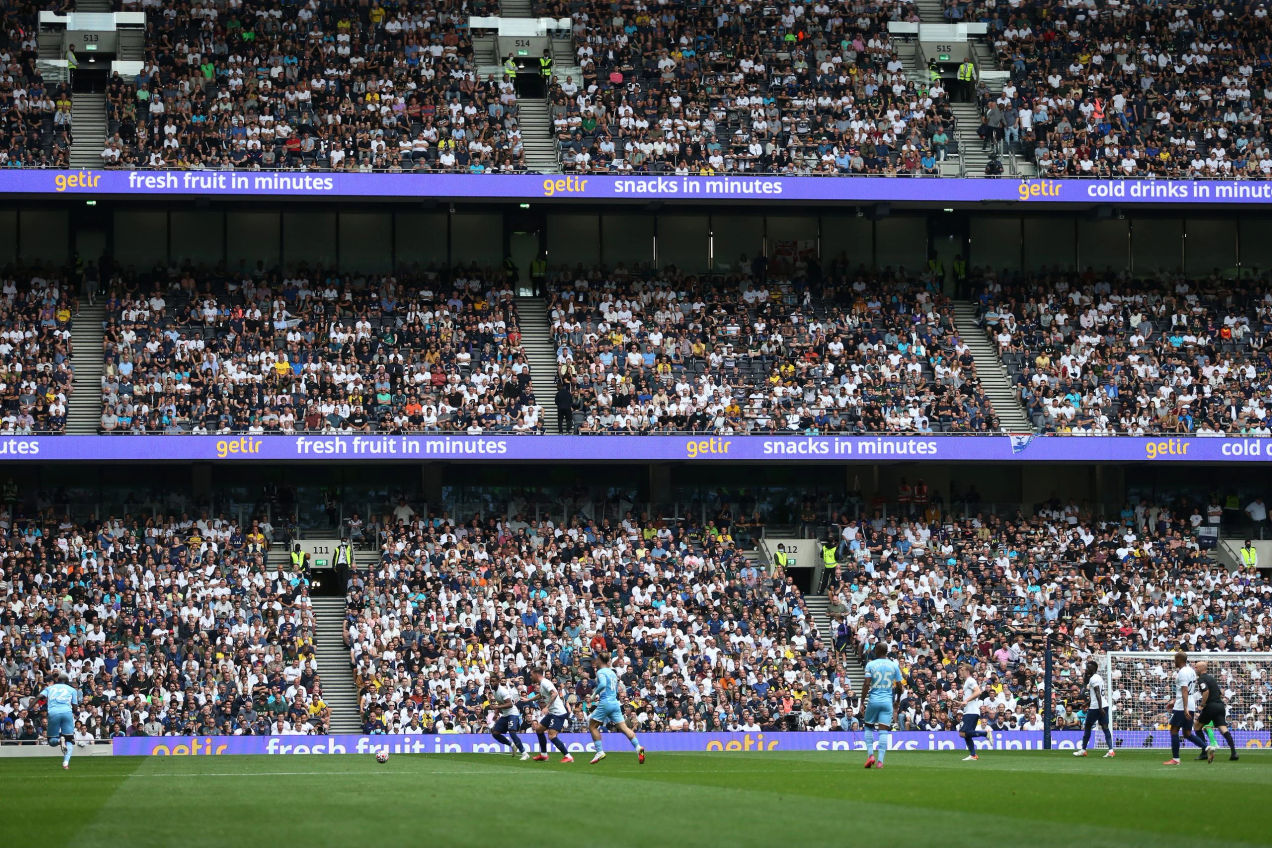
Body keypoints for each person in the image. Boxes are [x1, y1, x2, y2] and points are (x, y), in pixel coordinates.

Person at [587, 650, 645, 765]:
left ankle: (599, 752)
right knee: (624, 728)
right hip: (615, 703)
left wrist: (594, 694)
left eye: (597, 659)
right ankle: (638, 747)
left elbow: (603, 684)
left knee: (592, 726)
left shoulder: (601, 672)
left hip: (606, 702)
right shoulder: (612, 672)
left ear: (600, 660)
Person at [860, 643, 903, 769]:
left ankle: (870, 755)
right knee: (883, 731)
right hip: (887, 701)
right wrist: (898, 700)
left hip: (874, 700)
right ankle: (880, 762)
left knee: (868, 727)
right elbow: (900, 686)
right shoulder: (894, 665)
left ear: (877, 650)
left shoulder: (871, 664)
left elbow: (867, 684)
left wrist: (862, 701)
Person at [1164, 651, 1208, 765]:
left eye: (1175, 659)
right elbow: (1187, 691)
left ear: (1179, 659)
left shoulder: (1182, 672)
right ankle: (1207, 747)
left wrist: (1184, 708)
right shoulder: (1191, 671)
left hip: (1183, 705)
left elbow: (1184, 690)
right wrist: (1174, 702)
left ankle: (1176, 759)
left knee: (1174, 730)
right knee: (1187, 733)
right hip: (1190, 702)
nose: (1174, 661)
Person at [1193, 661, 1238, 762]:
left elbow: (1206, 691)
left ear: (1202, 668)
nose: (1195, 669)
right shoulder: (1211, 678)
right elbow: (1219, 692)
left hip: (1210, 706)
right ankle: (1234, 752)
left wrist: (1202, 705)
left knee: (1197, 726)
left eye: (1196, 667)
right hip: (1220, 705)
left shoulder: (1201, 679)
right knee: (1223, 729)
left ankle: (1204, 752)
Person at [527, 668, 573, 763]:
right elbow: (541, 695)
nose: (530, 677)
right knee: (539, 729)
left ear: (536, 674)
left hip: (558, 713)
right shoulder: (542, 683)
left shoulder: (545, 683)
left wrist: (547, 707)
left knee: (552, 736)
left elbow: (554, 693)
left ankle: (568, 756)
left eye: (531, 675)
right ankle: (543, 755)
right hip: (552, 713)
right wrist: (528, 700)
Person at [1073, 660, 1115, 758]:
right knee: (1105, 727)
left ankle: (1083, 750)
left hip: (1097, 707)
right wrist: (1087, 703)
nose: (1087, 668)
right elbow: (1095, 694)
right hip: (1104, 705)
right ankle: (1111, 750)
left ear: (1094, 669)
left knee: (1087, 726)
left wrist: (1099, 708)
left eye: (1089, 667)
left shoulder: (1093, 679)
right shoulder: (1098, 677)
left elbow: (1097, 693)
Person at [40, 670, 79, 769]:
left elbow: (38, 697)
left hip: (53, 713)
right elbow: (75, 706)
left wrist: (29, 708)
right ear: (66, 681)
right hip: (67, 713)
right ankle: (65, 763)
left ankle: (59, 741)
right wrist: (76, 713)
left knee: (51, 741)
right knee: (69, 740)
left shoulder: (50, 688)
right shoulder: (72, 690)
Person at [489, 672, 530, 761]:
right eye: (490, 682)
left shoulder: (502, 691)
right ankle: (511, 745)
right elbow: (500, 702)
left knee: (512, 733)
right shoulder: (494, 691)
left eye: (493, 681)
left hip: (512, 713)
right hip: (505, 714)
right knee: (495, 733)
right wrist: (496, 713)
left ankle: (524, 753)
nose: (492, 683)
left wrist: (497, 707)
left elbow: (510, 704)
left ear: (498, 682)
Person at [957, 664, 989, 761]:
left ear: (967, 671)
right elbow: (972, 696)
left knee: (963, 733)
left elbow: (978, 692)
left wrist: (966, 700)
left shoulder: (970, 680)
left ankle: (985, 734)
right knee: (965, 734)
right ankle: (973, 755)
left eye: (962, 669)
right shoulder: (967, 681)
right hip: (970, 710)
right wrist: (963, 703)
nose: (960, 671)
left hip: (971, 712)